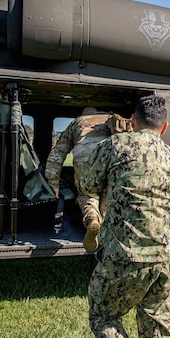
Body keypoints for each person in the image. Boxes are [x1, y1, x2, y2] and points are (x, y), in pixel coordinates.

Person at [80, 95, 170, 338]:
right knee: (156, 329)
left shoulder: (113, 146)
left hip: (123, 256)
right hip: (165, 260)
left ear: (132, 120)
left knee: (104, 317)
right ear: (164, 127)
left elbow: (87, 183)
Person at [45, 106, 113, 250]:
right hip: (109, 162)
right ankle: (106, 234)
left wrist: (53, 182)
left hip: (85, 165)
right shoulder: (111, 119)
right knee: (108, 197)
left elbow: (58, 152)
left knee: (87, 195)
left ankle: (92, 219)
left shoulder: (77, 122)